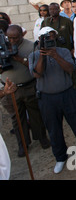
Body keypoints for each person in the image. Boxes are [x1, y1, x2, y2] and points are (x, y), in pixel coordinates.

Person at [28, 27, 76, 174]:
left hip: (67, 94)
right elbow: (37, 74)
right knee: (54, 130)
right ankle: (60, 157)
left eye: (51, 37)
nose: (49, 40)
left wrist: (55, 56)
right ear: (39, 40)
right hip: (47, 98)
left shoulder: (63, 52)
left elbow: (69, 69)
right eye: (45, 38)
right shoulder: (34, 56)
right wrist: (43, 55)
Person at [0, 25, 50, 157]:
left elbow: (36, 67)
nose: (12, 41)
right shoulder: (2, 46)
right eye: (9, 38)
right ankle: (23, 144)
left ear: (21, 35)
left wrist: (18, 58)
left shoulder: (30, 46)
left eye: (15, 38)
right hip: (10, 89)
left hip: (29, 86)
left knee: (36, 115)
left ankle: (42, 138)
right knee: (17, 119)